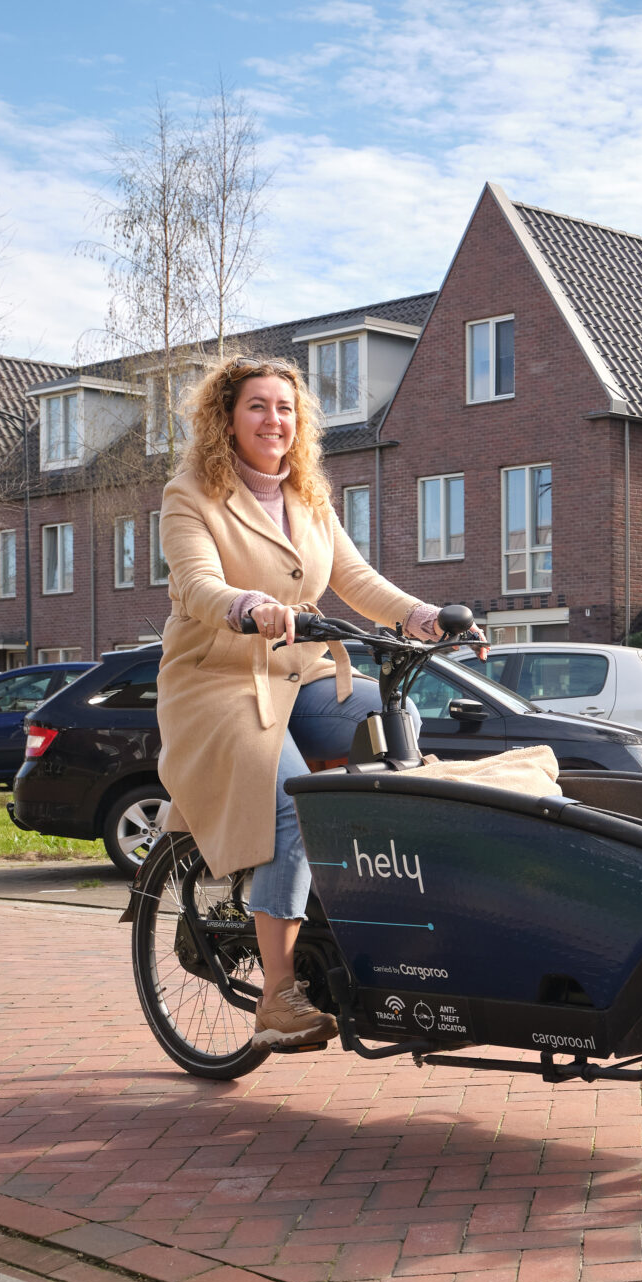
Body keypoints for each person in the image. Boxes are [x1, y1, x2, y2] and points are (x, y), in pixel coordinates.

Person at [156, 355, 461, 1050]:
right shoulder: (192, 494)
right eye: (258, 406)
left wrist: (429, 618)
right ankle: (278, 994)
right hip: (220, 679)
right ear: (226, 420)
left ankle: (367, 922)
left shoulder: (310, 498)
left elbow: (356, 579)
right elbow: (198, 583)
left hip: (302, 675)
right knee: (292, 803)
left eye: (286, 408)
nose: (275, 420)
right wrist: (249, 603)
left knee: (398, 738)